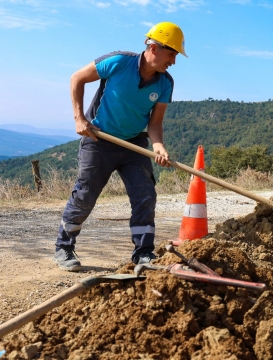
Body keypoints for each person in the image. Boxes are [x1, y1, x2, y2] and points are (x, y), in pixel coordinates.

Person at [53, 22, 187, 272]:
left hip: (134, 144)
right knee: (85, 195)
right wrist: (79, 118)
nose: (173, 62)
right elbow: (77, 78)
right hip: (99, 139)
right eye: (172, 54)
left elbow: (155, 123)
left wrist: (158, 146)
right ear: (155, 48)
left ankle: (143, 253)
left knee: (145, 195)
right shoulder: (118, 61)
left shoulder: (165, 83)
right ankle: (64, 246)